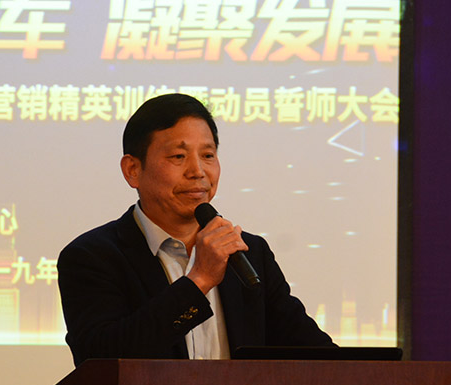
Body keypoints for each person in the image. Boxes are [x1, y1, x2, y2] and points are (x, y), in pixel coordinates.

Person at [57, 93, 333, 366]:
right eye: (178, 156)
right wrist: (200, 279)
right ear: (133, 170)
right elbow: (101, 358)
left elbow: (317, 354)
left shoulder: (249, 253)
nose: (198, 171)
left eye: (208, 155)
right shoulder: (92, 257)